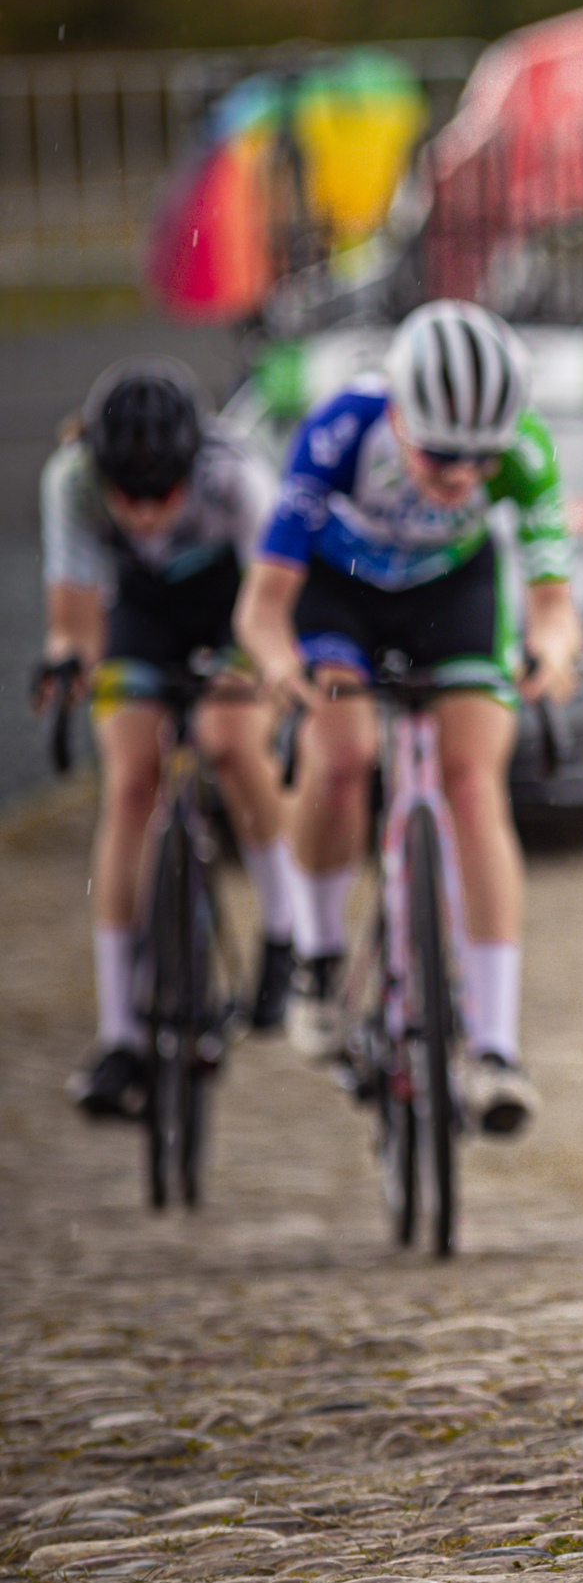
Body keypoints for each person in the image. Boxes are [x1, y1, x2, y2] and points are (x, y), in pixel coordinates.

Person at [233, 300, 581, 1135]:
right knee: (342, 752)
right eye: (439, 455)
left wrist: (553, 651)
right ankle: (318, 958)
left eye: (478, 459)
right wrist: (281, 668)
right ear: (398, 415)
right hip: (337, 594)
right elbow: (262, 607)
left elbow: (552, 602)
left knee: (473, 779)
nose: (462, 476)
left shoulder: (523, 448)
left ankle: (493, 1046)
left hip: (448, 594)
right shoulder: (337, 432)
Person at [39, 360, 297, 1118]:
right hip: (141, 615)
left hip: (235, 605)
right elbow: (75, 617)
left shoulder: (237, 474)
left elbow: (275, 603)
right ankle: (120, 1030)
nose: (147, 513)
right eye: (130, 498)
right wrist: (68, 666)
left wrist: (265, 679)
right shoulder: (73, 480)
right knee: (128, 782)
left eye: (163, 494)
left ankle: (283, 930)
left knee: (228, 738)